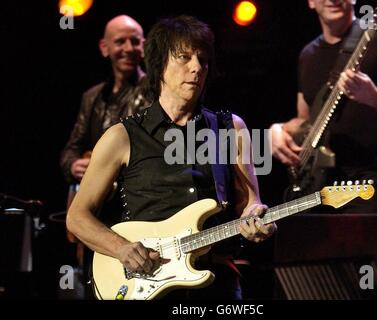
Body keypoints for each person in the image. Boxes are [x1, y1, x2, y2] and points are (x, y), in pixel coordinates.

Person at [66, 15, 276, 300]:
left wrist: (256, 218)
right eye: (183, 57)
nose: (196, 68)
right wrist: (121, 248)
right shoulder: (122, 137)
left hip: (216, 283)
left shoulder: (232, 128)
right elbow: (78, 217)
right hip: (147, 282)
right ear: (159, 64)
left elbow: (250, 202)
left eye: (202, 59)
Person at [270, 0, 377, 213]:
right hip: (321, 186)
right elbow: (305, 122)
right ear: (311, 2)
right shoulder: (308, 55)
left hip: (369, 184)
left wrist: (374, 97)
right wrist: (280, 129)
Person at [60, 15, 149, 298]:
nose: (128, 47)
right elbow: (70, 148)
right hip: (96, 212)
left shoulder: (155, 92)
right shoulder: (92, 97)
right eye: (120, 41)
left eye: (134, 41)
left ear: (144, 46)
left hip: (133, 210)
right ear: (104, 47)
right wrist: (73, 164)